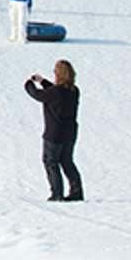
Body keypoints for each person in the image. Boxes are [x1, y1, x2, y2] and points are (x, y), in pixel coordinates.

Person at [25, 60, 83, 201]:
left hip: (54, 134)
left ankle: (57, 194)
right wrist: (43, 81)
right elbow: (54, 92)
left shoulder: (56, 92)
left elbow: (38, 95)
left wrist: (29, 84)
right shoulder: (74, 90)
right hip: (70, 133)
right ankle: (77, 192)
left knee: (51, 162)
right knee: (67, 161)